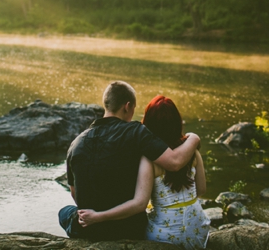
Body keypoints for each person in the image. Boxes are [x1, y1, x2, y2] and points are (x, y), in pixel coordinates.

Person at [59, 82, 201, 241]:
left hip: (89, 228)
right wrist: (194, 138)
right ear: (127, 106)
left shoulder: (76, 143)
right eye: (133, 108)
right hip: (129, 228)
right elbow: (174, 162)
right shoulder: (136, 132)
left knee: (64, 212)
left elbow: (75, 193)